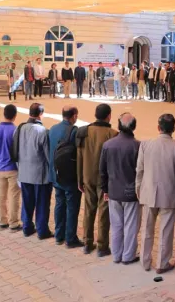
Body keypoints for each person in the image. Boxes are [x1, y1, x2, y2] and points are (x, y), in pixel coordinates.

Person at [136, 114, 175, 273]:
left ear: (158, 127)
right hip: (170, 194)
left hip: (148, 192)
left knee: (147, 229)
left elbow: (139, 170)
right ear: (174, 129)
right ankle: (162, 263)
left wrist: (139, 190)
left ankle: (145, 261)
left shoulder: (145, 144)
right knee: (166, 231)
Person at [77, 103, 118, 256]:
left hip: (87, 176)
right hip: (104, 179)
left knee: (88, 210)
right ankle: (102, 246)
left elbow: (80, 157)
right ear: (109, 116)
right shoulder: (113, 134)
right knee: (104, 211)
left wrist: (79, 179)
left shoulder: (84, 132)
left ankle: (87, 243)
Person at [100, 113, 141, 264]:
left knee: (116, 225)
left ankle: (116, 255)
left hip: (113, 191)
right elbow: (141, 171)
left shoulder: (108, 145)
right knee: (130, 225)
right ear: (134, 126)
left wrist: (105, 189)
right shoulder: (137, 146)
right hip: (131, 193)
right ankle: (128, 256)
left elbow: (102, 170)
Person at [15, 103, 52, 239]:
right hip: (40, 174)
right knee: (42, 203)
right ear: (41, 114)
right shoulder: (43, 131)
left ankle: (27, 227)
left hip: (24, 172)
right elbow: (48, 156)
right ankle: (42, 230)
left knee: (27, 201)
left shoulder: (20, 128)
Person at [49, 106, 83, 248]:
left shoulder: (52, 129)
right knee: (72, 207)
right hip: (70, 176)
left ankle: (59, 235)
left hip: (56, 174)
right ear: (74, 116)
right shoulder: (74, 131)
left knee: (59, 204)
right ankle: (70, 238)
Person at [0, 104, 21, 231]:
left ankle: (2, 221)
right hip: (13, 168)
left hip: (0, 168)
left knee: (1, 196)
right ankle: (13, 222)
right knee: (14, 196)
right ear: (14, 116)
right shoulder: (16, 130)